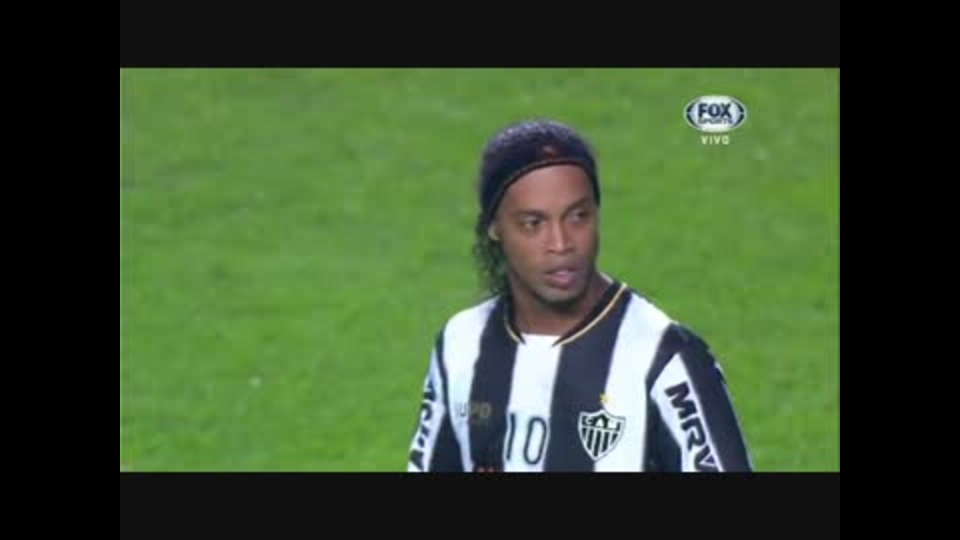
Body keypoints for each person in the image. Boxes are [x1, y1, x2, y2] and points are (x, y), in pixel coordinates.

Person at [406, 119, 753, 472]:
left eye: (577, 217)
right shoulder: (461, 344)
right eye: (533, 224)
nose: (561, 244)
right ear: (495, 227)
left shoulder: (664, 357)